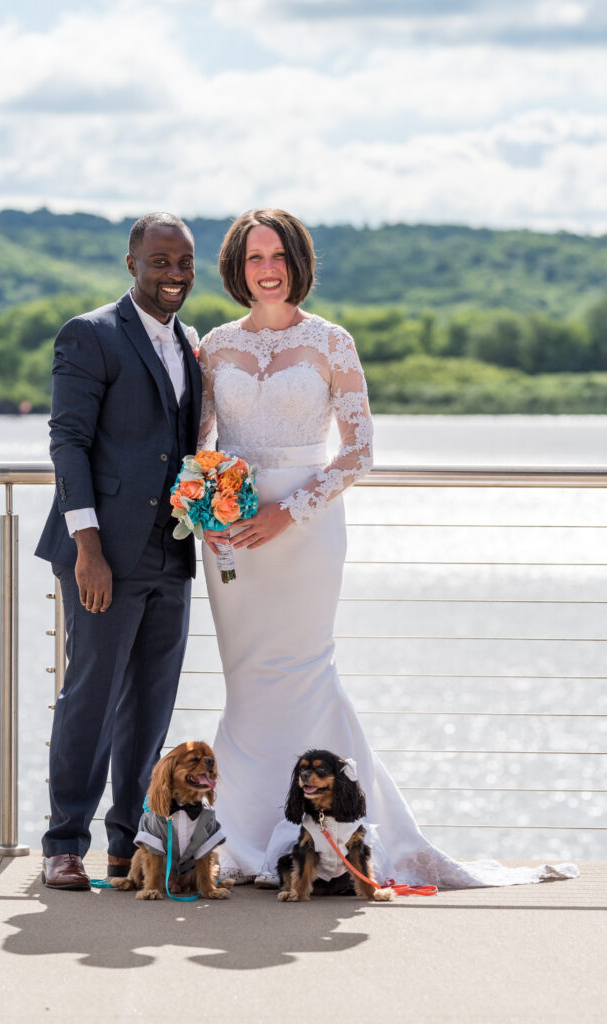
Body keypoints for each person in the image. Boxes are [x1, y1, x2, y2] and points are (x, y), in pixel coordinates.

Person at [197, 208, 578, 889]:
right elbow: (204, 446)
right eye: (254, 257)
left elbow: (361, 449)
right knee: (248, 683)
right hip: (234, 538)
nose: (267, 269)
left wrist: (293, 509)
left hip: (306, 531)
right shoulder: (216, 348)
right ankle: (246, 836)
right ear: (236, 267)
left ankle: (335, 834)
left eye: (277, 254)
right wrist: (208, 509)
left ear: (297, 262)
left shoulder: (331, 342)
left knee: (308, 671)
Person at [35, 213, 202, 890]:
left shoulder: (189, 343)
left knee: (151, 707)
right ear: (131, 263)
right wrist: (88, 546)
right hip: (103, 553)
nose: (174, 276)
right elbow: (67, 441)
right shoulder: (91, 334)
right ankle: (63, 843)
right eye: (160, 262)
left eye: (184, 264)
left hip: (173, 550)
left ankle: (126, 842)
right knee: (91, 697)